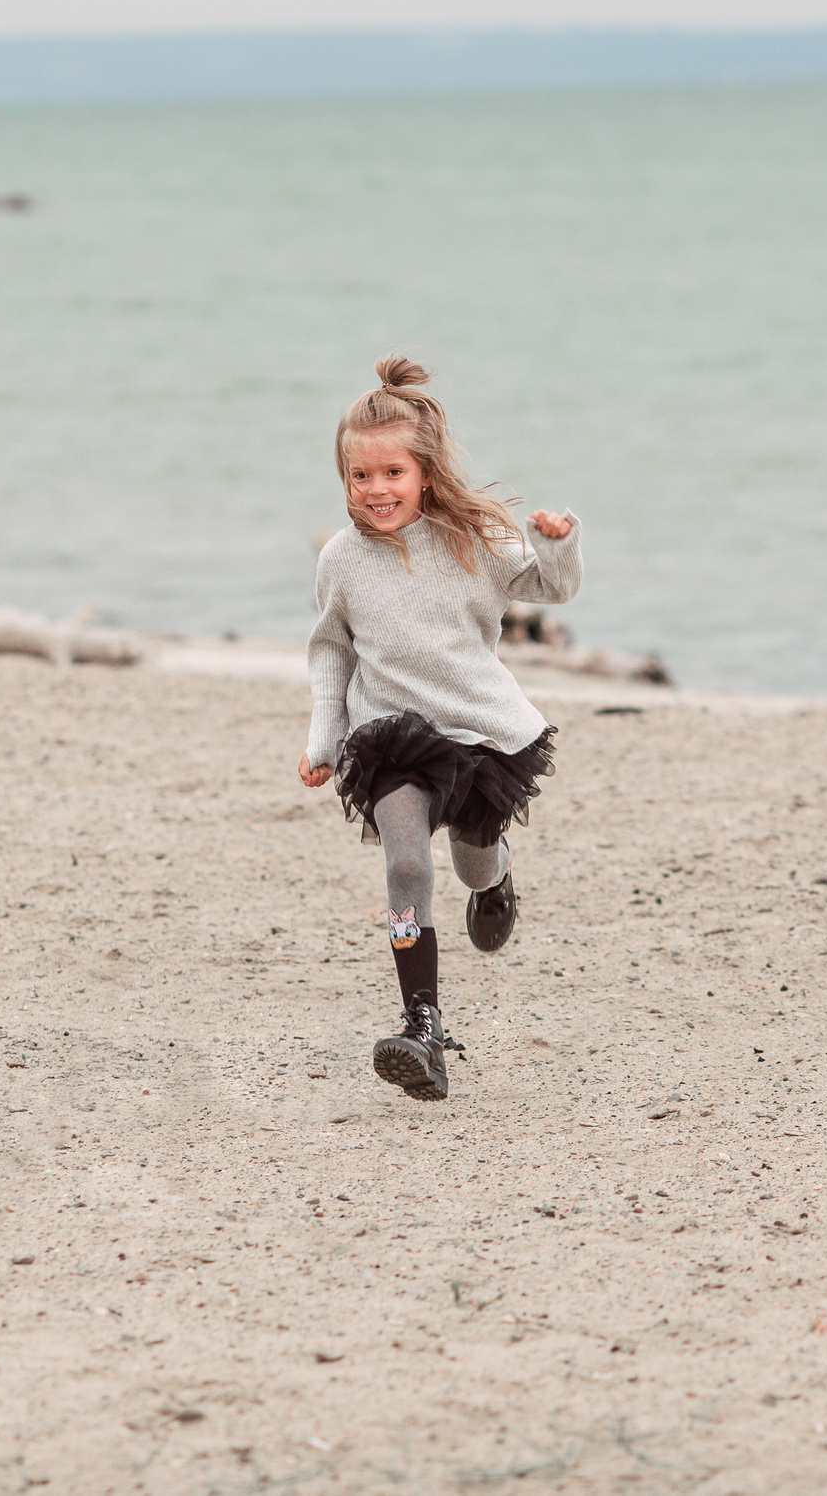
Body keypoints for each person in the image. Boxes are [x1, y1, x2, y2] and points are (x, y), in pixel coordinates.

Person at [298, 355, 581, 1100]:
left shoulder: (470, 539)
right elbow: (331, 648)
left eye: (392, 473)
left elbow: (549, 586)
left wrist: (556, 539)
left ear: (423, 472)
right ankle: (421, 1025)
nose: (376, 490)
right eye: (361, 477)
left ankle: (497, 883)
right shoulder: (342, 560)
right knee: (405, 866)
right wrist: (324, 739)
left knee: (471, 860)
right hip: (389, 738)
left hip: (478, 733)